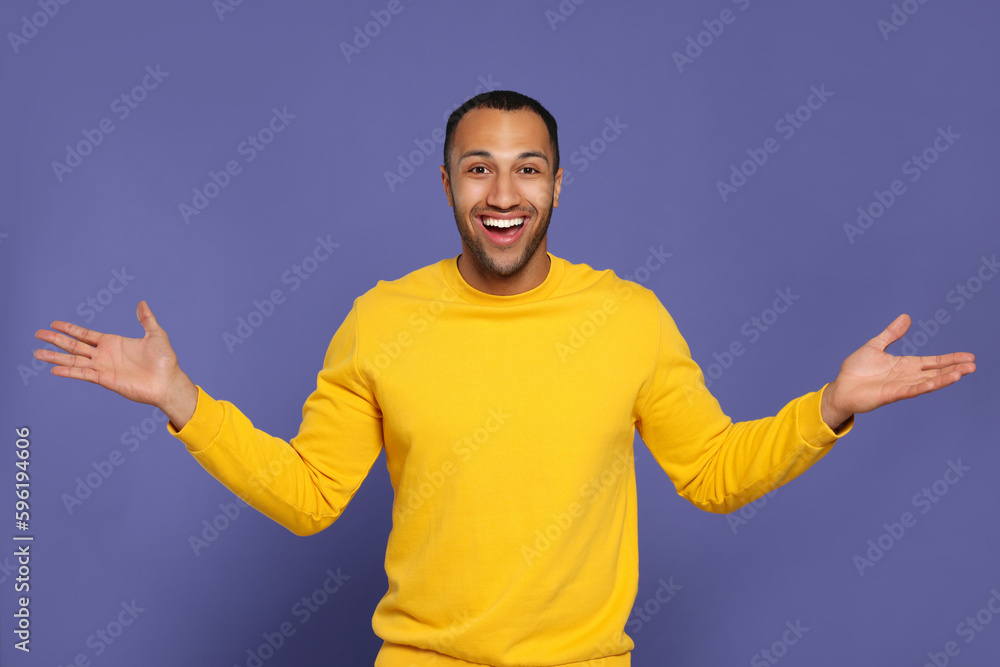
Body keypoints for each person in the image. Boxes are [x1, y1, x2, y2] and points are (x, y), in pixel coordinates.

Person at [34, 90, 976, 666]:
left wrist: (831, 408)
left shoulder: (628, 317)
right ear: (446, 182)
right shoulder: (382, 319)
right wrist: (180, 400)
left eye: (528, 170)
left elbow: (715, 472)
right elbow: (312, 495)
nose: (502, 193)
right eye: (478, 169)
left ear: (559, 184)